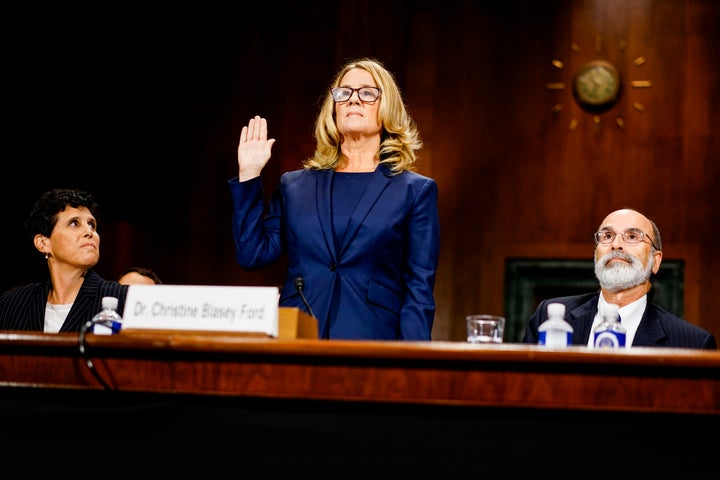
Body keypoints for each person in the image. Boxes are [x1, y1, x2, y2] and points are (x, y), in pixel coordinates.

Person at [229, 58, 440, 340]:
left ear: (387, 107)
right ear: (334, 108)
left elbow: (419, 291)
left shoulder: (414, 191)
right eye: (344, 93)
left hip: (371, 339)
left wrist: (411, 364)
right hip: (298, 338)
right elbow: (253, 254)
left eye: (367, 93)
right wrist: (249, 174)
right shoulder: (294, 186)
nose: (353, 100)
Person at [522, 208, 716, 349]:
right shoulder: (549, 316)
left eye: (632, 237)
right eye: (607, 236)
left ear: (655, 261)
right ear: (596, 254)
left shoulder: (692, 343)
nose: (616, 244)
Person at [0, 188, 128, 333]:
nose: (89, 232)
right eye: (74, 223)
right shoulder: (12, 304)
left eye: (92, 224)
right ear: (43, 243)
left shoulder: (123, 299)